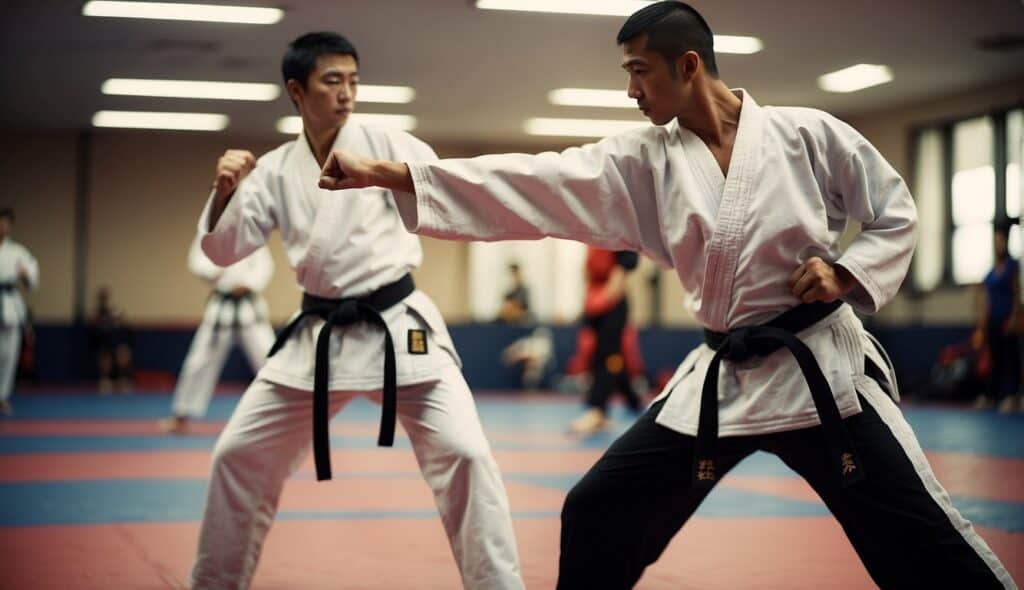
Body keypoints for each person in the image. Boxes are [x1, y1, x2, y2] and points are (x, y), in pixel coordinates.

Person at [318, 3, 1016, 588]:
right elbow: (531, 182)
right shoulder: (641, 161)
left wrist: (848, 273)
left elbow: (893, 209)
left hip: (820, 376)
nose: (630, 92)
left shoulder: (808, 134)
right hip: (726, 379)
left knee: (921, 539)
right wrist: (388, 173)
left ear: (688, 66)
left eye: (638, 72)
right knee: (598, 510)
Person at [188, 32, 523, 589]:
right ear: (297, 91)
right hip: (316, 336)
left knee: (467, 454)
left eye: (353, 80)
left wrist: (388, 175)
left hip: (398, 326)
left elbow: (449, 200)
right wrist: (224, 192)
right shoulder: (273, 170)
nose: (346, 93)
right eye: (331, 81)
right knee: (236, 454)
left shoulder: (389, 142)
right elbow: (223, 250)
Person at [157, 236, 276, 433]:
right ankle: (181, 414)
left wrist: (247, 284)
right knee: (198, 361)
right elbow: (197, 260)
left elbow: (265, 267)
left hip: (249, 308)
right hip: (221, 308)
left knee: (270, 359)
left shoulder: (252, 233)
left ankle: (287, 413)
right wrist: (214, 272)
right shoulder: (211, 231)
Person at [567, 248, 647, 434]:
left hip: (611, 300)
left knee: (609, 356)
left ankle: (597, 410)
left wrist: (605, 300)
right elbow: (588, 270)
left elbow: (623, 266)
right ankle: (633, 401)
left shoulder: (619, 229)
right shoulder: (593, 234)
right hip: (595, 298)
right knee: (606, 357)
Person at [974, 223, 1022, 413]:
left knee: (1011, 360)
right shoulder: (991, 272)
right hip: (992, 321)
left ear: (1006, 243)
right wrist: (982, 325)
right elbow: (986, 300)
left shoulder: (1013, 266)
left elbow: (1017, 293)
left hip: (1007, 320)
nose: (997, 245)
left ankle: (1013, 397)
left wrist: (1014, 317)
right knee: (995, 359)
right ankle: (992, 396)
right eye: (995, 242)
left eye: (1000, 241)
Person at [0, 208, 38, 417]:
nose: (3, 227)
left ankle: (2, 396)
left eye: (6, 223)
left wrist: (26, 275)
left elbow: (32, 279)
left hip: (9, 302)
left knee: (9, 353)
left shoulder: (17, 252)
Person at [92, 286, 134, 393]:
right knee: (105, 357)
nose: (105, 300)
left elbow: (124, 322)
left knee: (123, 354)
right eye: (103, 298)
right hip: (103, 342)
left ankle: (123, 378)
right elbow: (95, 324)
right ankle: (105, 380)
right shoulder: (99, 312)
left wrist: (119, 317)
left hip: (116, 342)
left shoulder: (114, 310)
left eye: (106, 298)